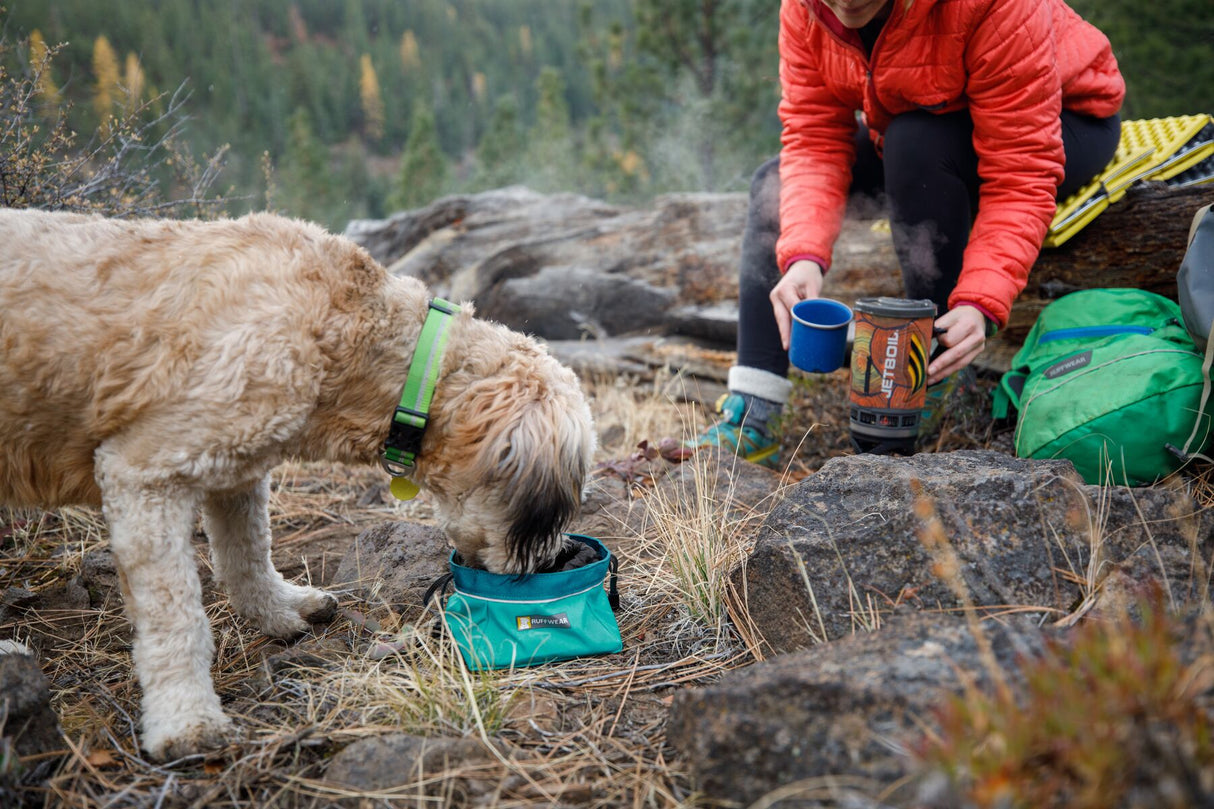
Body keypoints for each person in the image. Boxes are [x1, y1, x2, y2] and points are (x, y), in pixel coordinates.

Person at [695, 0, 1125, 467]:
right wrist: (803, 256)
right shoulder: (805, 8)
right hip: (914, 121)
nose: (846, 3)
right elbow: (815, 139)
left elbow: (1020, 172)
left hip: (1064, 120)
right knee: (773, 185)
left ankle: (937, 376)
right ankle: (755, 417)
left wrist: (979, 301)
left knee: (916, 142)